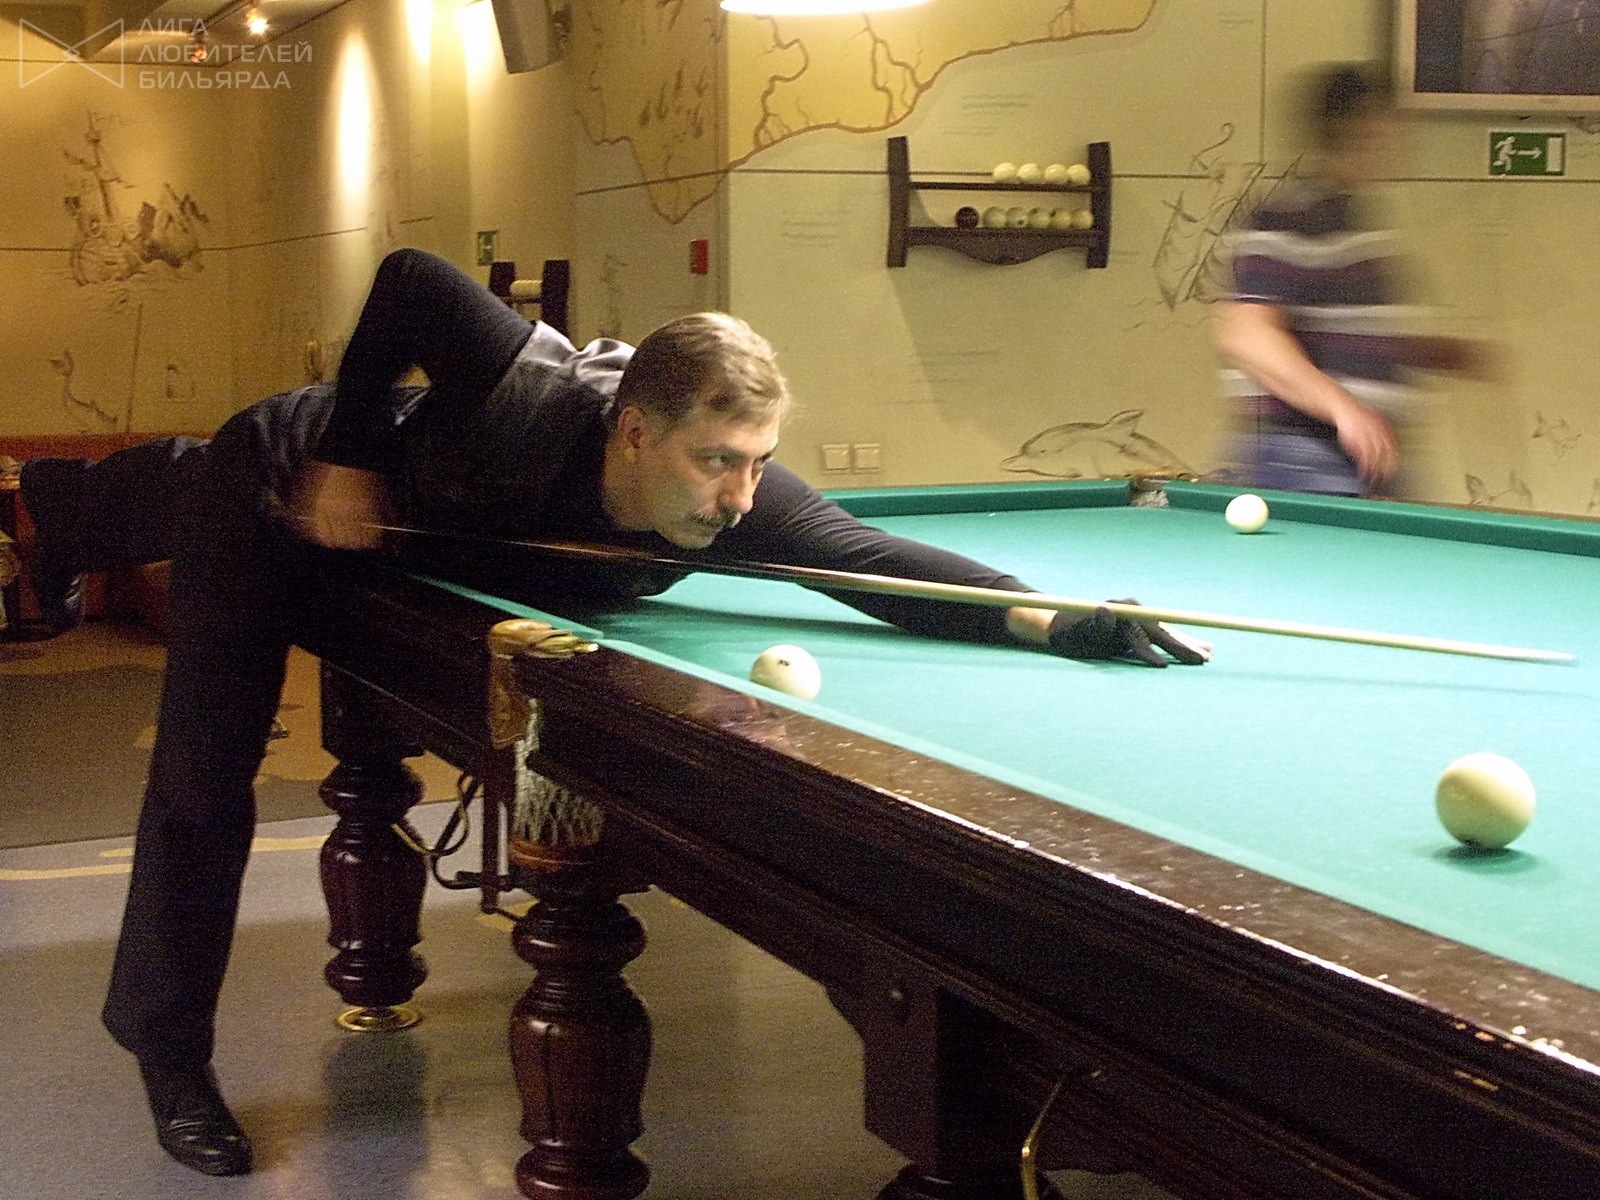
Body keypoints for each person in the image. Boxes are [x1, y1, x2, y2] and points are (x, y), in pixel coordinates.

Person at [20, 248, 1208, 1177]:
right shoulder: (525, 394)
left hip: (417, 546)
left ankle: (67, 510)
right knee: (206, 769)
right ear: (635, 432)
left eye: (758, 460)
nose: (740, 495)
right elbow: (412, 282)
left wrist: (1054, 618)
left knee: (173, 526)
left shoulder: (738, 496)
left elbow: (871, 565)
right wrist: (346, 456)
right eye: (717, 461)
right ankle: (167, 1050)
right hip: (283, 491)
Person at [1210, 63, 1492, 496]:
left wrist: (1427, 352)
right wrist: (1344, 410)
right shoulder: (1296, 216)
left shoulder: (1352, 219)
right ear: (1358, 126)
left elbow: (1331, 334)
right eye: (1388, 120)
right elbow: (1247, 333)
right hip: (1308, 460)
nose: (1401, 136)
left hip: (1362, 457)